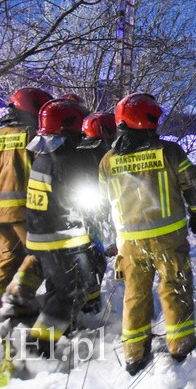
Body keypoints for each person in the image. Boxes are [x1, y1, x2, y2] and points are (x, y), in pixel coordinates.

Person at [98, 93, 196, 375]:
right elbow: (192, 188)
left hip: (130, 245)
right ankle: (181, 346)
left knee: (135, 296)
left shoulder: (108, 161)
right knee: (175, 290)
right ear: (144, 120)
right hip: (169, 241)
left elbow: (102, 205)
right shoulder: (169, 152)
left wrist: (110, 239)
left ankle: (135, 354)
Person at [23, 98, 100, 355]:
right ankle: (39, 344)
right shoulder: (66, 158)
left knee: (58, 285)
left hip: (41, 233)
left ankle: (60, 327)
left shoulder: (44, 154)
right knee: (72, 289)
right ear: (71, 124)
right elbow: (81, 196)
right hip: (58, 235)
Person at [0, 87, 52, 315]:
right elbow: (46, 169)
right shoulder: (32, 136)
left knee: (8, 256)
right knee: (44, 255)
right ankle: (18, 294)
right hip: (26, 211)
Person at [76, 112, 118, 306]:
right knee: (92, 257)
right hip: (85, 208)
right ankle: (89, 303)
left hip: (101, 205)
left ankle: (91, 301)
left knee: (96, 256)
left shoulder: (113, 151)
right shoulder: (78, 151)